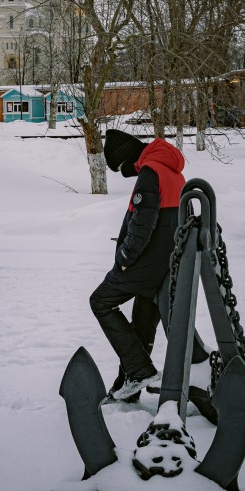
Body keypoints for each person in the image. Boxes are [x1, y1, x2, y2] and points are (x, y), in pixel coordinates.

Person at [89, 129, 185, 401]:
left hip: (145, 264)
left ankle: (140, 371)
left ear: (127, 155)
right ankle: (127, 387)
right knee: (142, 324)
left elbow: (143, 225)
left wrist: (124, 260)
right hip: (166, 262)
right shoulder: (172, 170)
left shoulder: (150, 172)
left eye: (121, 166)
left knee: (100, 302)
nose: (124, 172)